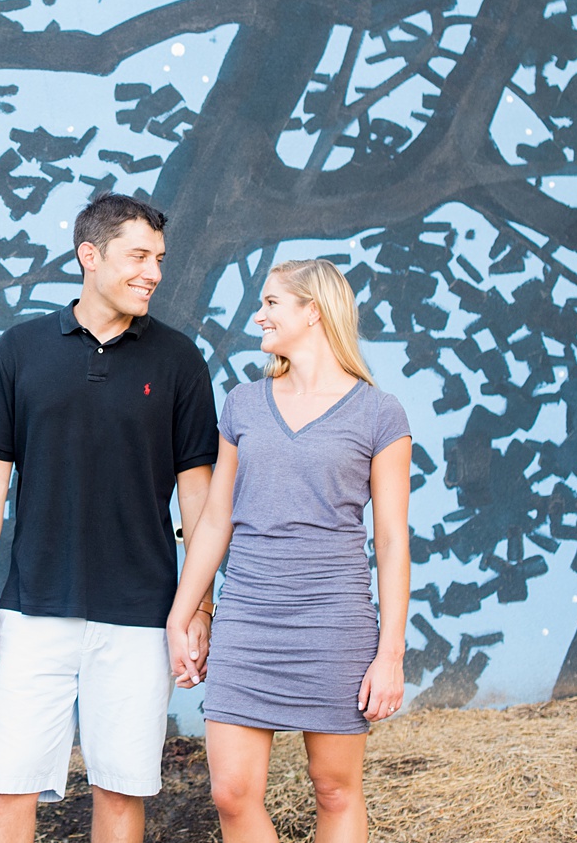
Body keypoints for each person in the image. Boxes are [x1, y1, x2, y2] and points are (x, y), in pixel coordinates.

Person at [0, 192, 219, 843]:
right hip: (33, 605)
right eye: (138, 255)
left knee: (122, 793)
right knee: (11, 791)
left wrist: (199, 607)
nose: (154, 272)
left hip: (140, 611)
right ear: (90, 255)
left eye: (159, 258)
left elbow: (199, 496)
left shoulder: (179, 360)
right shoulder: (22, 349)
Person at [166, 258, 411, 843]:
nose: (259, 315)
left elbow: (393, 541)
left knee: (334, 791)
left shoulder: (381, 414)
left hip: (334, 623)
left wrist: (391, 654)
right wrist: (183, 613)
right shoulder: (243, 404)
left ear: (313, 311)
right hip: (248, 618)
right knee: (231, 794)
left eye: (272, 302)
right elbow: (216, 519)